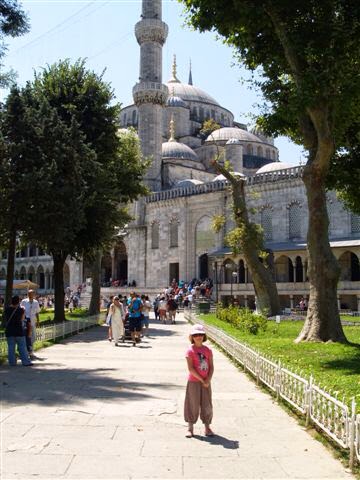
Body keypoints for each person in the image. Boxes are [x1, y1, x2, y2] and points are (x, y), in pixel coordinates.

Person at [184, 324, 214, 438]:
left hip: (206, 381)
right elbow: (190, 369)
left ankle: (207, 427)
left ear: (204, 336)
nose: (198, 337)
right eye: (195, 335)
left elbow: (211, 367)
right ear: (192, 337)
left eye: (200, 334)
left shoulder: (208, 350)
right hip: (194, 381)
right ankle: (190, 427)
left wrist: (208, 379)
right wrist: (202, 379)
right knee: (192, 403)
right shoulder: (190, 351)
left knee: (207, 404)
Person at [5, 295, 32, 366]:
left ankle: (12, 362)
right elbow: (22, 319)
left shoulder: (7, 309)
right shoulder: (21, 310)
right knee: (22, 347)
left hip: (9, 330)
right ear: (18, 302)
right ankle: (26, 362)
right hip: (19, 330)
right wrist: (23, 310)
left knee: (11, 347)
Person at [20, 289, 40, 358]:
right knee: (26, 337)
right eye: (29, 294)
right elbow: (20, 311)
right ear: (27, 294)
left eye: (32, 294)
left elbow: (37, 312)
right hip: (25, 322)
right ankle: (25, 351)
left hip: (33, 322)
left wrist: (38, 321)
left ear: (34, 295)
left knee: (33, 337)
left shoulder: (36, 302)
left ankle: (31, 351)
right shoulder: (24, 301)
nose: (31, 295)